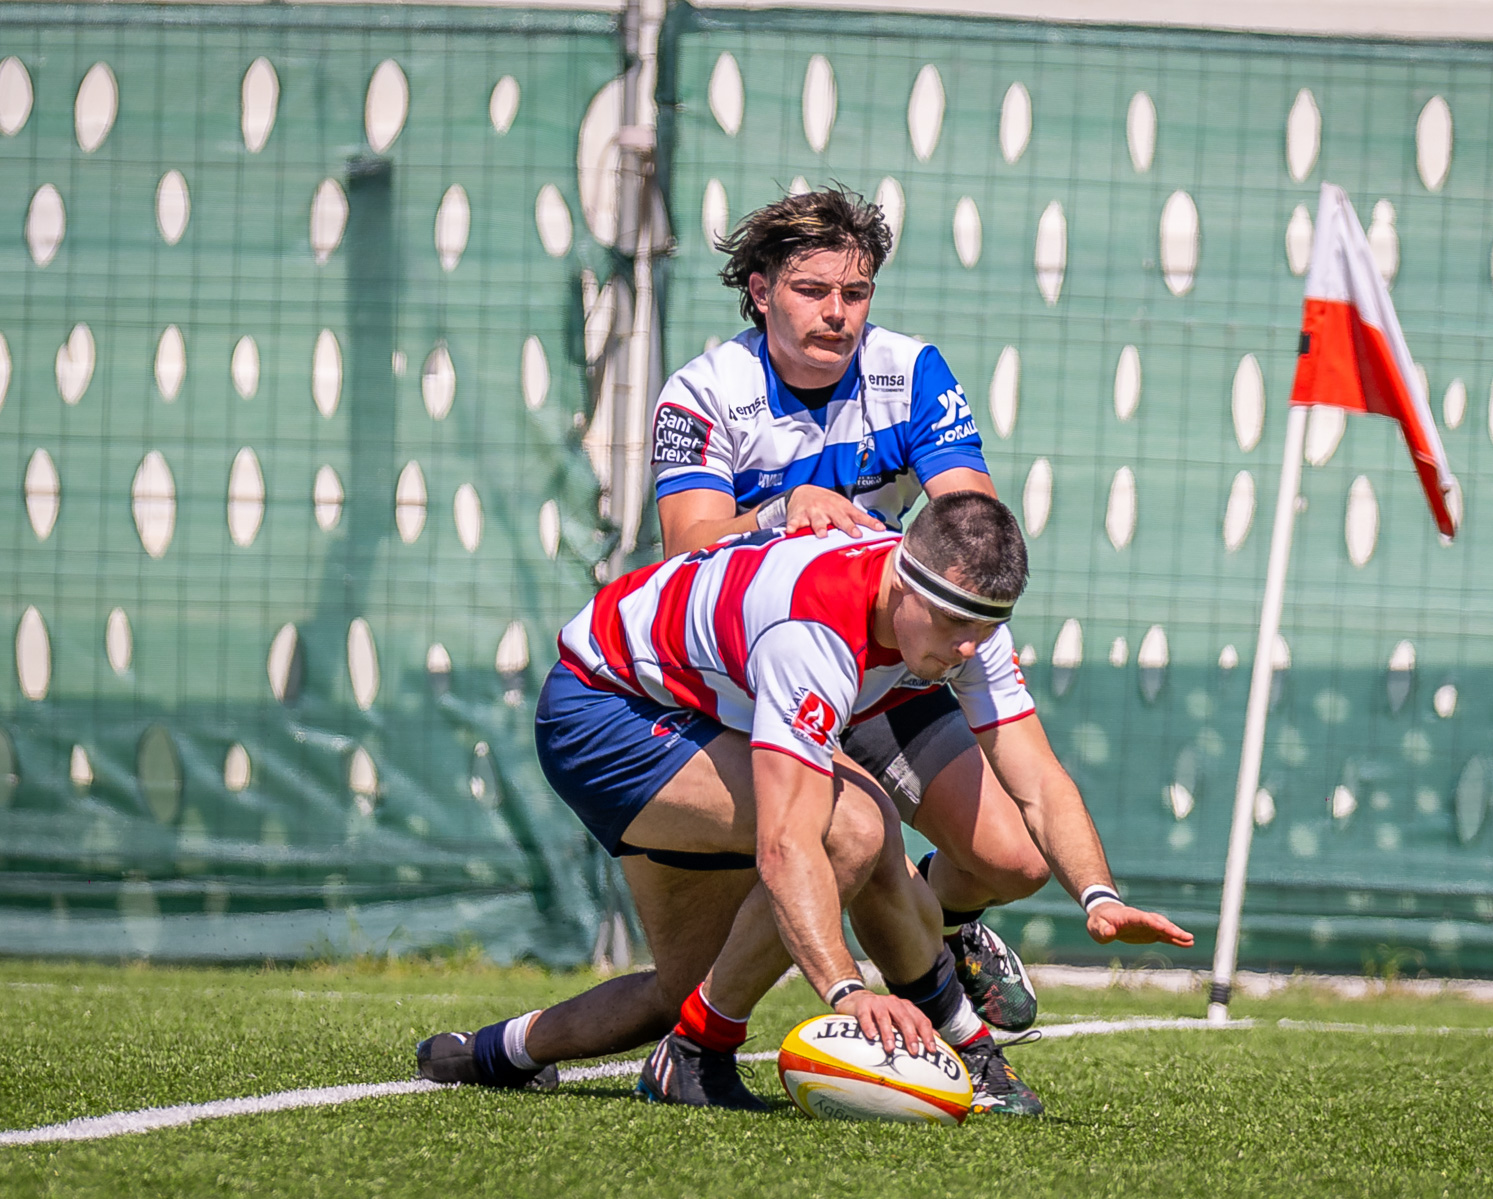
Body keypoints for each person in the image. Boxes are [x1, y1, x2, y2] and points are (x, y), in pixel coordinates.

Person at [418, 494, 1192, 1113]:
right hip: (601, 709)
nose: (968, 648)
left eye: (984, 627)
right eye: (956, 623)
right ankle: (941, 1047)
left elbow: (1038, 777)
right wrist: (847, 990)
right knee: (853, 824)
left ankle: (496, 1051)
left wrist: (1097, 892)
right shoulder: (812, 629)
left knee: (684, 987)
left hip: (690, 706)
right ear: (906, 579)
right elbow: (789, 843)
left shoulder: (960, 617)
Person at [650, 187, 1049, 1031]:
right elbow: (684, 548)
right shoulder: (703, 391)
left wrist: (971, 629)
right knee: (858, 842)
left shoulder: (912, 373)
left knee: (1016, 859)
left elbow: (967, 524)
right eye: (812, 291)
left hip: (880, 657)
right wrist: (775, 509)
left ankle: (945, 923)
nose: (838, 314)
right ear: (760, 292)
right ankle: (738, 1025)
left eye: (856, 293)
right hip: (752, 676)